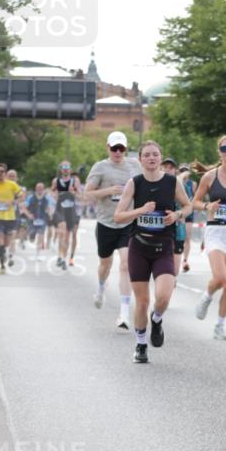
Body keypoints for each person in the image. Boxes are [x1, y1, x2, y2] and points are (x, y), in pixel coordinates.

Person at [114, 141, 192, 363]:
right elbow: (118, 216)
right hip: (139, 246)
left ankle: (156, 320)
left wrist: (176, 216)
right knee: (142, 301)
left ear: (160, 157)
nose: (151, 158)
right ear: (140, 160)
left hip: (163, 246)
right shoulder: (134, 183)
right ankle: (140, 344)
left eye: (155, 154)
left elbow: (187, 206)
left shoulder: (172, 182)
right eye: (146, 155)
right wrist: (140, 210)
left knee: (164, 296)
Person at [192, 136, 226, 340]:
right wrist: (207, 206)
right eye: (225, 148)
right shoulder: (209, 177)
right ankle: (207, 297)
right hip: (215, 230)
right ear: (220, 152)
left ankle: (220, 325)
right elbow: (195, 202)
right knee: (220, 277)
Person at [86, 131, 142, 329]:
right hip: (106, 223)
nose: (118, 152)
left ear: (126, 149)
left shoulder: (135, 166)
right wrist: (108, 191)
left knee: (126, 265)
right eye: (114, 148)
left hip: (127, 222)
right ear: (108, 148)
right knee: (105, 264)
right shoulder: (100, 167)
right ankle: (101, 287)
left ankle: (124, 313)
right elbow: (88, 195)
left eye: (121, 148)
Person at [0, 164, 22, 274]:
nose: (0, 173)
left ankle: (3, 253)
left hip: (10, 217)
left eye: (2, 172)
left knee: (6, 243)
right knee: (0, 240)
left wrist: (13, 202)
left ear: (5, 174)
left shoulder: (12, 185)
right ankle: (2, 265)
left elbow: (22, 195)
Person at [50, 161, 83, 270]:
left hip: (70, 211)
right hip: (60, 210)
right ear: (60, 170)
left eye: (67, 167)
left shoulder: (74, 181)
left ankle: (63, 257)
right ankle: (61, 256)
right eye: (63, 167)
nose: (65, 169)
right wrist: (56, 195)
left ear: (70, 169)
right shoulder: (56, 181)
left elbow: (80, 196)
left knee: (68, 236)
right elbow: (52, 192)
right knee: (62, 232)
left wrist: (73, 193)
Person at [160, 157, 187, 276]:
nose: (167, 170)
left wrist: (178, 214)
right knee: (164, 269)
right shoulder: (154, 183)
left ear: (175, 170)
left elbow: (188, 206)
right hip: (160, 231)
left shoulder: (179, 185)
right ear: (160, 168)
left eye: (170, 168)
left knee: (174, 271)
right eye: (165, 167)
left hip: (177, 229)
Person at [24, 183, 52, 259]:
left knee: (40, 236)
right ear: (36, 189)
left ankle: (38, 254)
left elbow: (50, 207)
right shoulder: (31, 197)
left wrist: (50, 214)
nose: (39, 189)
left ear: (43, 189)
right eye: (38, 188)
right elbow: (24, 208)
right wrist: (28, 215)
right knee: (31, 235)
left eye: (41, 188)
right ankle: (31, 236)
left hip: (43, 220)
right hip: (32, 220)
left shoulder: (47, 198)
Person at [178, 164, 196, 271]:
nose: (184, 172)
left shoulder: (192, 184)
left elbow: (195, 197)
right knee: (178, 237)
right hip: (179, 211)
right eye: (182, 170)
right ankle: (176, 258)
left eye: (186, 170)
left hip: (189, 212)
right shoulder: (176, 182)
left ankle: (185, 260)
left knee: (187, 237)